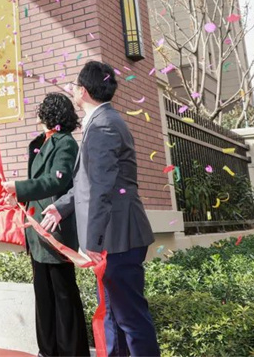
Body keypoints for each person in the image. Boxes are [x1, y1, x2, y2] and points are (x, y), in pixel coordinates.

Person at [41, 62, 160, 357]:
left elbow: (101, 187)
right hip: (113, 235)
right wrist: (61, 207)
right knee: (113, 317)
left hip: (117, 237)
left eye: (74, 86)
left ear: (83, 91)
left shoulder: (103, 125)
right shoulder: (101, 121)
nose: (72, 90)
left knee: (129, 319)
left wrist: (92, 241)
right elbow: (88, 183)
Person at [2, 93, 90, 357]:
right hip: (37, 230)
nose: (38, 114)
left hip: (54, 230)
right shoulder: (43, 142)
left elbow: (56, 181)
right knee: (44, 295)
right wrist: (19, 195)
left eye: (42, 110)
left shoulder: (65, 143)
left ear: (50, 114)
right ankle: (47, 351)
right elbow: (40, 183)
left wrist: (19, 187)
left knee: (64, 295)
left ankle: (72, 352)